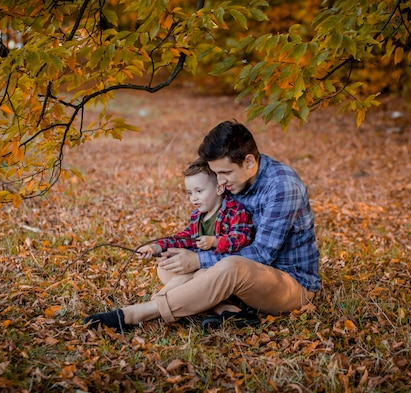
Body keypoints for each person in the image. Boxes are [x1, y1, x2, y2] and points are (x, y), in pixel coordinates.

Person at [84, 120, 321, 332]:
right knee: (168, 266)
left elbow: (262, 255)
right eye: (216, 173)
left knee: (230, 267)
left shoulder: (281, 186)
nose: (220, 182)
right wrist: (175, 252)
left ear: (249, 161)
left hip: (288, 283)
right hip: (241, 279)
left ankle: (139, 313)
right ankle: (230, 312)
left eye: (225, 172)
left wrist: (198, 261)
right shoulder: (234, 180)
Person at [137, 157, 254, 258]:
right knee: (163, 264)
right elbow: (183, 238)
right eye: (190, 193)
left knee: (200, 274)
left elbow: (242, 237)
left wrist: (214, 241)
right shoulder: (197, 216)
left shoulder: (234, 212)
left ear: (219, 188)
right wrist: (155, 247)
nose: (193, 198)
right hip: (202, 263)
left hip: (224, 267)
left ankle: (188, 282)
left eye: (199, 191)